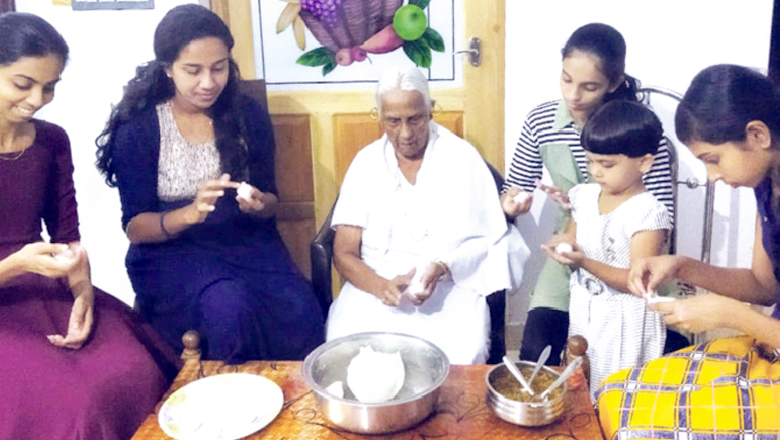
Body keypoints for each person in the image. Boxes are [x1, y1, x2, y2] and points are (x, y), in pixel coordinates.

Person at [95, 4, 324, 363]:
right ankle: (227, 395)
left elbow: (271, 200)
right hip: (171, 253)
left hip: (246, 242)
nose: (208, 82)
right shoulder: (140, 127)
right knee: (228, 307)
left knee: (301, 309)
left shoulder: (246, 114)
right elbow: (135, 228)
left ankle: (288, 399)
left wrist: (259, 204)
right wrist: (188, 214)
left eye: (219, 68)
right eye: (193, 70)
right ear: (168, 69)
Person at [0, 12, 179, 440]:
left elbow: (67, 237)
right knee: (77, 403)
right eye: (23, 84)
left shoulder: (51, 139)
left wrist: (82, 291)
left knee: (136, 370)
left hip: (43, 285)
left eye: (50, 86)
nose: (38, 99)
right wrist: (15, 264)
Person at [596, 64, 780, 437]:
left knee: (644, 427)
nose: (712, 176)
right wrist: (681, 266)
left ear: (757, 135)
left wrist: (732, 315)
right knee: (615, 394)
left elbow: (754, 306)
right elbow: (764, 287)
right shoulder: (767, 186)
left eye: (713, 159)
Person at [502, 23, 677, 365]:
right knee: (537, 351)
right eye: (566, 79)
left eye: (589, 86)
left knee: (634, 357)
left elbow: (657, 222)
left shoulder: (637, 129)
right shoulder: (541, 121)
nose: (573, 95)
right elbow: (514, 186)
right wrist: (513, 202)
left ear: (614, 82)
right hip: (573, 243)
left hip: (630, 253)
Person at [325, 67, 526, 364]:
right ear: (379, 117)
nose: (405, 133)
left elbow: (487, 239)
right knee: (345, 353)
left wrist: (443, 266)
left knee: (463, 354)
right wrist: (381, 287)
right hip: (375, 285)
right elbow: (344, 253)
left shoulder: (462, 158)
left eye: (415, 119)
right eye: (393, 121)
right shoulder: (366, 163)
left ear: (431, 110)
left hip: (449, 283)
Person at [543, 100, 673, 399]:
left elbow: (637, 282)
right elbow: (573, 238)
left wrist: (583, 261)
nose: (596, 172)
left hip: (624, 319)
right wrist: (562, 246)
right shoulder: (585, 196)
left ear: (644, 163)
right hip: (585, 306)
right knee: (581, 377)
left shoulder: (647, 213)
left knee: (615, 391)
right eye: (591, 162)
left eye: (607, 164)